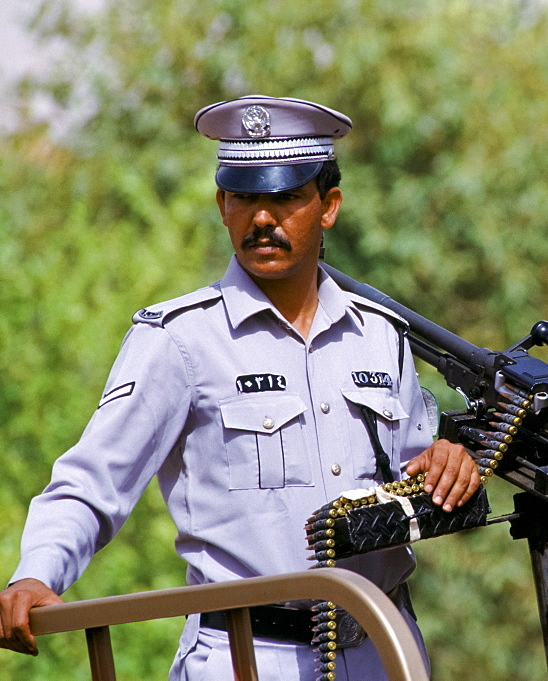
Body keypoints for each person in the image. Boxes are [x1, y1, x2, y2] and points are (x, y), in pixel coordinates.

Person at [0, 95, 479, 680]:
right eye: (245, 196)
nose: (261, 218)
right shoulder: (180, 340)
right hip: (247, 656)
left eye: (284, 197)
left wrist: (445, 463)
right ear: (223, 204)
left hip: (383, 648)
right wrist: (36, 574)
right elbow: (93, 479)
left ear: (328, 207)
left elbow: (409, 476)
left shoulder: (379, 336)